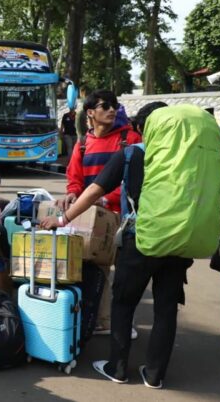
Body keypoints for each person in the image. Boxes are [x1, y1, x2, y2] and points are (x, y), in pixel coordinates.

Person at [40, 102, 186, 390]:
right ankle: (154, 375)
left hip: (140, 240)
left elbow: (95, 189)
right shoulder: (183, 158)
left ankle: (117, 368)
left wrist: (63, 218)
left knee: (123, 302)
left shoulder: (133, 153)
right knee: (167, 308)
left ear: (142, 128)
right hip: (178, 240)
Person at [60, 90, 142, 337]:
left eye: (114, 105)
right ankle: (102, 321)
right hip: (92, 217)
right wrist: (73, 194)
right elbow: (74, 178)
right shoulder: (83, 143)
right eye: (105, 106)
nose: (111, 110)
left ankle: (121, 323)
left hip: (125, 217)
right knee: (98, 270)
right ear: (90, 113)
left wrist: (107, 198)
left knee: (127, 275)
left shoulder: (130, 138)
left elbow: (134, 179)